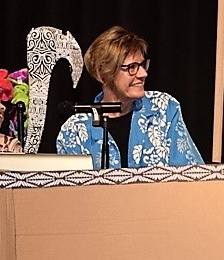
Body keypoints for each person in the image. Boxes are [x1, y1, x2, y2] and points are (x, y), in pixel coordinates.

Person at [56, 26, 202, 168]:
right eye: (132, 67)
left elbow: (192, 174)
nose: (143, 74)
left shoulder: (164, 109)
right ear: (102, 74)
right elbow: (69, 185)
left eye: (143, 65)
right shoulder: (74, 131)